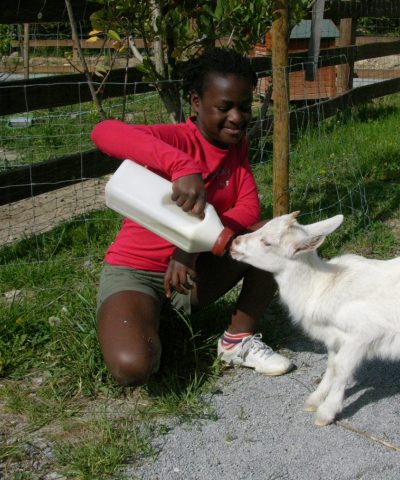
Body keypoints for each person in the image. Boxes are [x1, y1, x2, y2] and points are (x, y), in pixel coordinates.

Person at [91, 48, 293, 387]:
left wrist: (190, 246)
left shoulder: (234, 148)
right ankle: (145, 321)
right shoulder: (177, 141)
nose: (237, 118)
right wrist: (181, 166)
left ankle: (236, 340)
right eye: (224, 107)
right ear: (196, 102)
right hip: (136, 273)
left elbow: (248, 208)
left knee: (276, 236)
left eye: (245, 107)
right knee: (133, 367)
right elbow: (103, 132)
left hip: (193, 276)